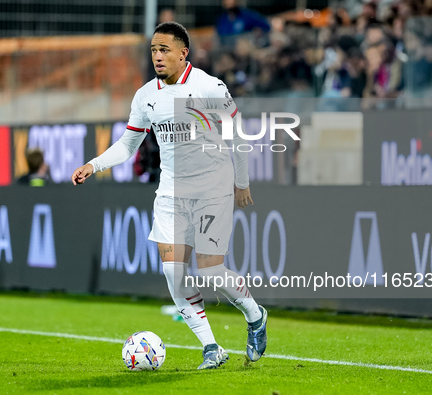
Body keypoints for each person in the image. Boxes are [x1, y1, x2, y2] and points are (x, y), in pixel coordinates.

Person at [72, 21, 267, 370]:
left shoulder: (210, 87)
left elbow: (238, 136)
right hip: (171, 193)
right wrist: (95, 164)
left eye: (164, 50)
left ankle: (255, 315)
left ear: (183, 53)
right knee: (174, 274)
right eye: (153, 50)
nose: (158, 56)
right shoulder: (147, 95)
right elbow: (129, 143)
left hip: (211, 189)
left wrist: (241, 182)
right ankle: (211, 348)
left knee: (209, 272)